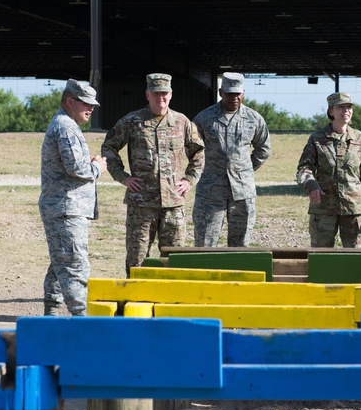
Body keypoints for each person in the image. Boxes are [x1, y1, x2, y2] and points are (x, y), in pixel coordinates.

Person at [101, 73, 204, 275]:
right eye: (156, 93)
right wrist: (123, 177)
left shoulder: (182, 122)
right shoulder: (132, 121)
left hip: (173, 204)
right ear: (147, 94)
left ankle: (170, 302)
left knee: (174, 260)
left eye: (164, 93)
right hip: (141, 205)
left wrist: (190, 180)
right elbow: (109, 147)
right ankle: (134, 300)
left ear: (171, 94)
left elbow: (198, 152)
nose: (161, 98)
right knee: (137, 258)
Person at [39, 79, 107, 316]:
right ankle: (82, 319)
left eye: (93, 105)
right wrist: (98, 167)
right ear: (70, 101)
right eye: (86, 103)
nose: (91, 108)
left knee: (60, 264)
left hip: (63, 207)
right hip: (67, 208)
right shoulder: (66, 127)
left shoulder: (65, 124)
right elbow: (77, 169)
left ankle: (52, 317)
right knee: (74, 265)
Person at [191, 72, 272, 247]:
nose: (234, 98)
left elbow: (263, 149)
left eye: (238, 93)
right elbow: (192, 148)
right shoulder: (204, 118)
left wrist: (245, 169)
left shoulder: (254, 119)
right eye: (230, 93)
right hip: (210, 191)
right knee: (205, 243)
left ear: (243, 93)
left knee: (240, 245)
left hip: (242, 191)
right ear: (221, 92)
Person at [296, 92, 361, 248]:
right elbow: (304, 168)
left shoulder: (360, 138)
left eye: (349, 107)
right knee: (320, 256)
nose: (346, 111)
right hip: (324, 208)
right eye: (340, 107)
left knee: (355, 257)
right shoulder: (317, 138)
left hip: (354, 208)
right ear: (331, 111)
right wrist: (311, 184)